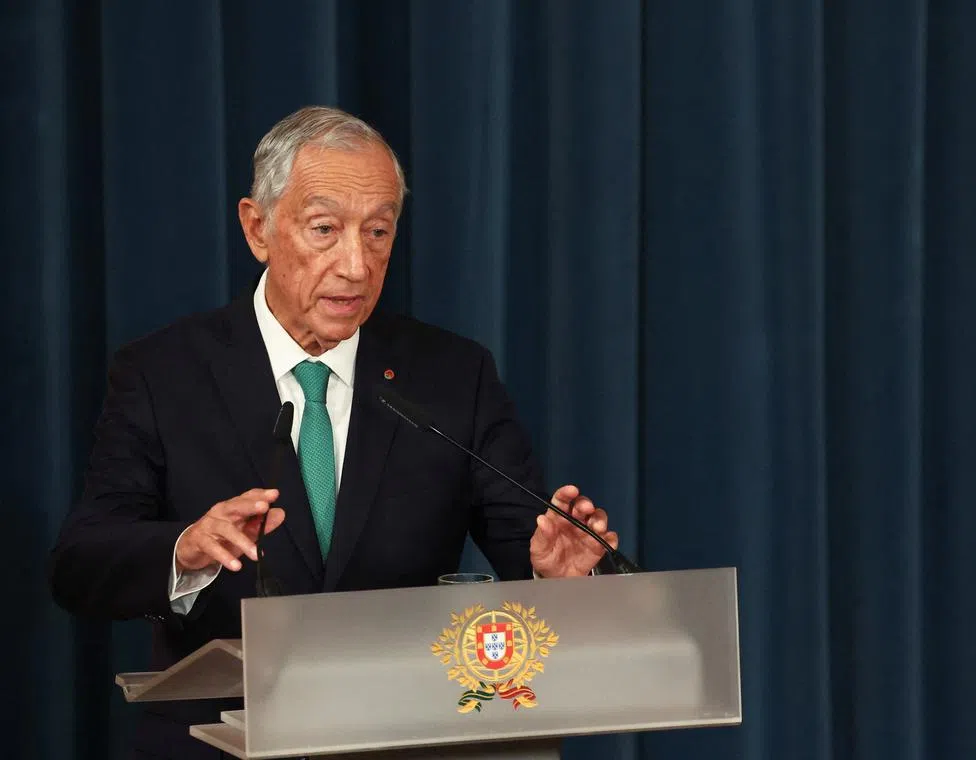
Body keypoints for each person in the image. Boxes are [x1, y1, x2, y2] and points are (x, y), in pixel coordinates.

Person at [49, 105, 619, 759]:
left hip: (409, 741)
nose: (356, 264)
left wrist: (560, 577)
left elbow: (533, 546)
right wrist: (186, 550)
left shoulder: (453, 376)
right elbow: (80, 566)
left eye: (378, 233)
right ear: (257, 227)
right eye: (325, 229)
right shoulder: (162, 373)